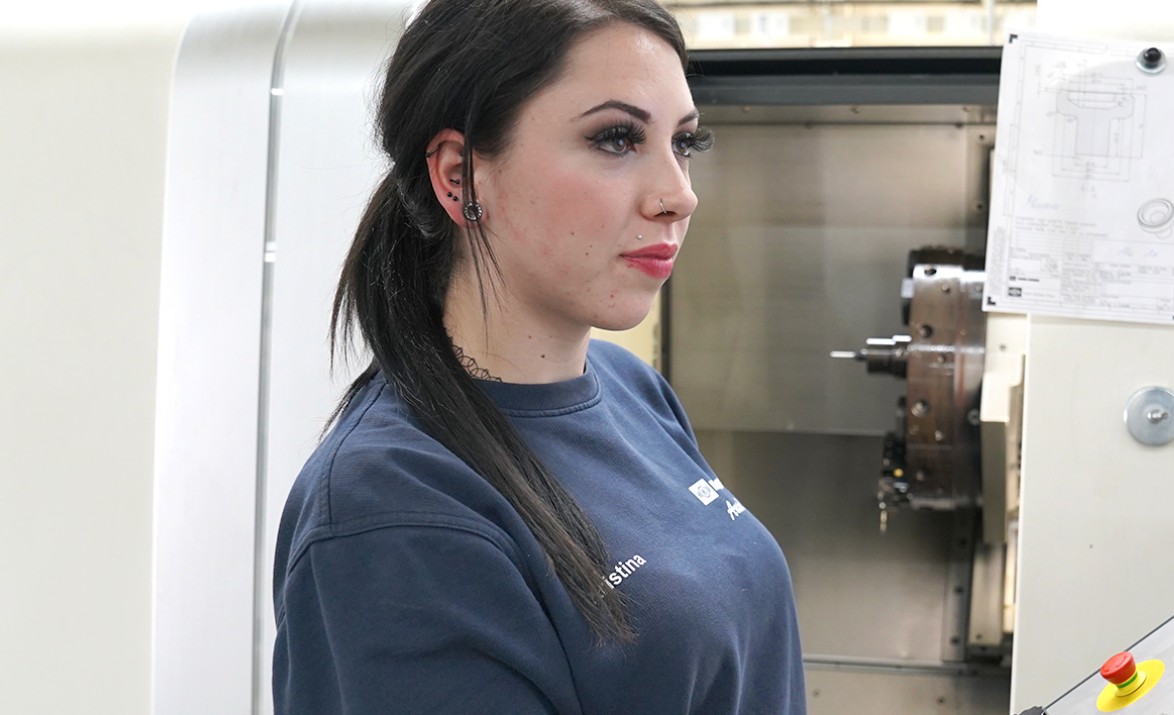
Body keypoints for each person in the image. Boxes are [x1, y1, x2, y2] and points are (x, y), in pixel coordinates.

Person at [270, 0, 806, 712]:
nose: (680, 195)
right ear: (460, 177)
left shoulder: (631, 390)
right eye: (617, 139)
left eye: (685, 143)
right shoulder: (395, 512)